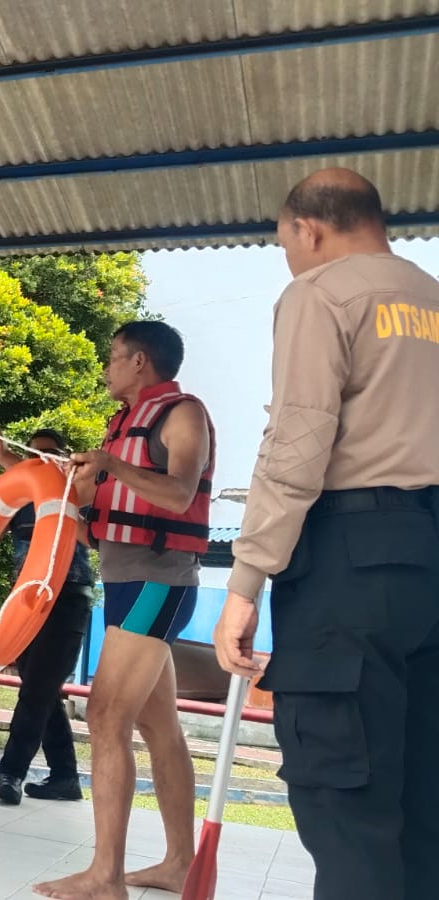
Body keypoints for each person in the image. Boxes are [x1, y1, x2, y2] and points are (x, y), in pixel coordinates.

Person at [214, 168, 439, 900]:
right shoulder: (432, 297)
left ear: (307, 230)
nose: (289, 259)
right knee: (423, 811)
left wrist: (246, 581)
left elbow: (297, 444)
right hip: (429, 565)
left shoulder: (322, 293)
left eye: (285, 244)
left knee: (347, 807)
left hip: (352, 565)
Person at [34, 320, 214, 900]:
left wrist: (111, 467)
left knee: (106, 716)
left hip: (158, 582)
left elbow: (179, 494)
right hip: (126, 583)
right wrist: (14, 467)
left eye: (112, 357)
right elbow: (91, 520)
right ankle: (179, 864)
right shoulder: (120, 429)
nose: (106, 368)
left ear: (139, 361)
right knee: (158, 725)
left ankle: (105, 876)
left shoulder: (182, 414)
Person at [0, 427, 94, 805]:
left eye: (51, 453)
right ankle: (65, 777)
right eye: (35, 454)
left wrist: (7, 458)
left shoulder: (79, 491)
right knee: (41, 689)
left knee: (37, 689)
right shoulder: (20, 497)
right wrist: (0, 455)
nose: (43, 460)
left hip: (67, 598)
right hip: (25, 602)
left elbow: (91, 536)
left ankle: (11, 773)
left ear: (64, 456)